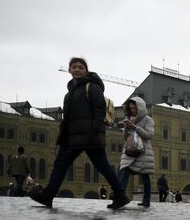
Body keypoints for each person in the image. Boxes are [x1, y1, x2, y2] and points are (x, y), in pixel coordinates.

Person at [30, 57, 129, 209]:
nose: (77, 69)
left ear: (86, 71)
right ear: (69, 70)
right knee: (60, 165)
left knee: (103, 166)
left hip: (90, 136)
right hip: (72, 136)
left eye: (81, 67)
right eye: (74, 67)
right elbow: (68, 117)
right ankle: (48, 195)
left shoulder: (92, 88)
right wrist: (63, 132)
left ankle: (120, 195)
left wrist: (95, 130)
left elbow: (99, 110)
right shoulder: (69, 94)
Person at [117, 96, 155, 208]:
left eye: (135, 108)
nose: (133, 110)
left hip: (143, 151)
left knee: (144, 176)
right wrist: (126, 128)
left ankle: (146, 200)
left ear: (141, 107)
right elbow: (125, 137)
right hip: (129, 150)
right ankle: (120, 197)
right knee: (124, 171)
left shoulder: (148, 119)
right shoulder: (129, 118)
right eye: (131, 108)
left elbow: (149, 135)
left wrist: (135, 127)